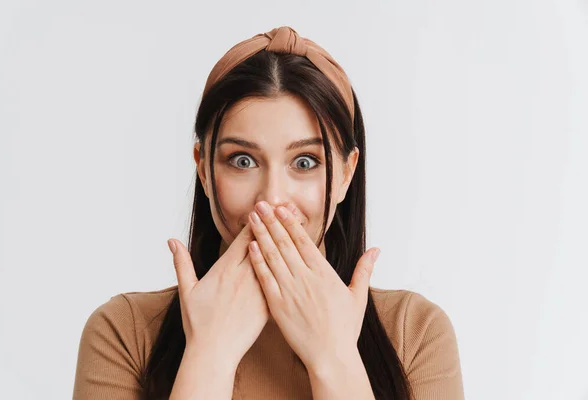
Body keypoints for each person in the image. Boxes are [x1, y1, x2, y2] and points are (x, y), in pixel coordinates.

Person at [72, 26, 465, 400]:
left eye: (306, 162)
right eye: (242, 161)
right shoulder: (124, 331)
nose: (272, 200)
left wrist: (334, 359)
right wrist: (210, 356)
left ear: (346, 174)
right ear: (204, 169)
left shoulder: (414, 333)